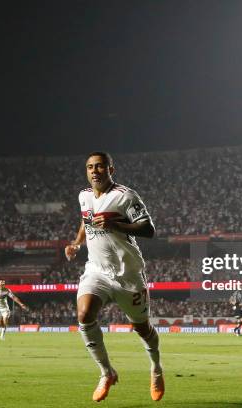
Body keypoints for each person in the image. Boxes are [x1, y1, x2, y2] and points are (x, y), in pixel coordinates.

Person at [64, 152, 164, 402]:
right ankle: (106, 372)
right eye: (90, 167)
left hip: (127, 273)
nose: (94, 171)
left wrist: (115, 225)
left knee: (141, 327)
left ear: (111, 169)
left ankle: (156, 367)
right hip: (96, 270)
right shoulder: (83, 196)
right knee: (85, 315)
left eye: (99, 166)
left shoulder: (125, 196)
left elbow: (148, 229)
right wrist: (76, 243)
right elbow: (85, 221)